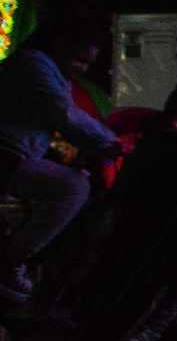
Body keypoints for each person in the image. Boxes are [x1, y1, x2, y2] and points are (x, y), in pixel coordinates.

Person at [0, 19, 124, 304]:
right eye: (79, 59)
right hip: (5, 155)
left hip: (13, 154)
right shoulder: (34, 66)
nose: (81, 68)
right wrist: (111, 144)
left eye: (87, 64)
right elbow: (64, 115)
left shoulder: (52, 74)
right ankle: (9, 260)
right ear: (61, 43)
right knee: (73, 188)